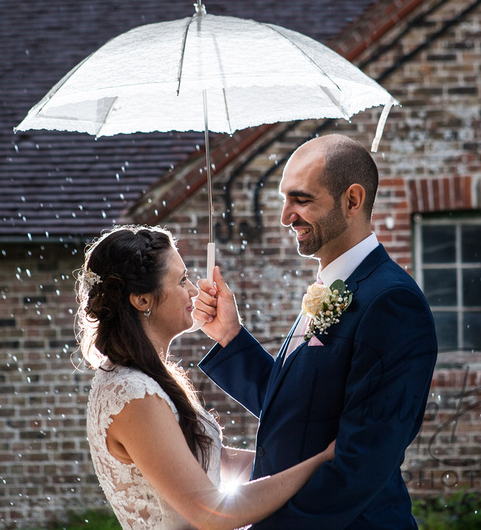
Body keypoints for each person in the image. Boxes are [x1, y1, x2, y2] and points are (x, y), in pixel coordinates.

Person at [194, 134, 438, 529]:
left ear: (352, 201)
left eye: (301, 200)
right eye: (284, 199)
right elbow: (301, 410)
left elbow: (360, 463)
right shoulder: (331, 287)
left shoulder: (391, 303)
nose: (285, 216)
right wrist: (230, 337)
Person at [76, 225, 335, 530]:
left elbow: (216, 461)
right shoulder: (133, 395)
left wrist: (308, 454)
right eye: (181, 280)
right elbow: (210, 512)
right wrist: (320, 463)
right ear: (142, 300)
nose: (193, 290)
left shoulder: (143, 379)